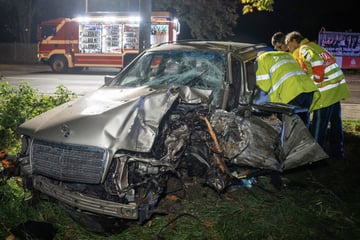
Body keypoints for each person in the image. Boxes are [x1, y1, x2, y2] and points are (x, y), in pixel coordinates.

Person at [285, 31, 351, 159]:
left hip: (325, 90)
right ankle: (338, 152)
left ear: (294, 40)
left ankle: (314, 156)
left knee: (319, 123)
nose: (288, 48)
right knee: (336, 121)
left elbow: (315, 62)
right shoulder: (315, 46)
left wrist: (317, 79)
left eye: (288, 44)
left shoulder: (303, 48)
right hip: (335, 88)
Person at [255, 51, 320, 128]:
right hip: (308, 90)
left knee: (289, 129)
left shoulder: (261, 59)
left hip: (290, 94)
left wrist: (255, 86)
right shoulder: (285, 54)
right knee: (303, 124)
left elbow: (264, 86)